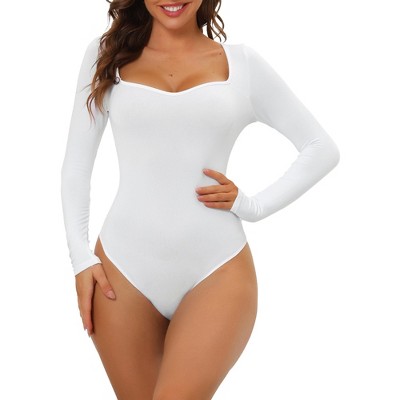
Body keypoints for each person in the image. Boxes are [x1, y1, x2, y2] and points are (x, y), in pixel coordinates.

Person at [60, 0, 340, 399]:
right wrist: (80, 258)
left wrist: (253, 205)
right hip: (121, 271)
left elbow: (320, 148)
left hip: (217, 268)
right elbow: (76, 165)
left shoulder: (242, 65)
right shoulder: (106, 55)